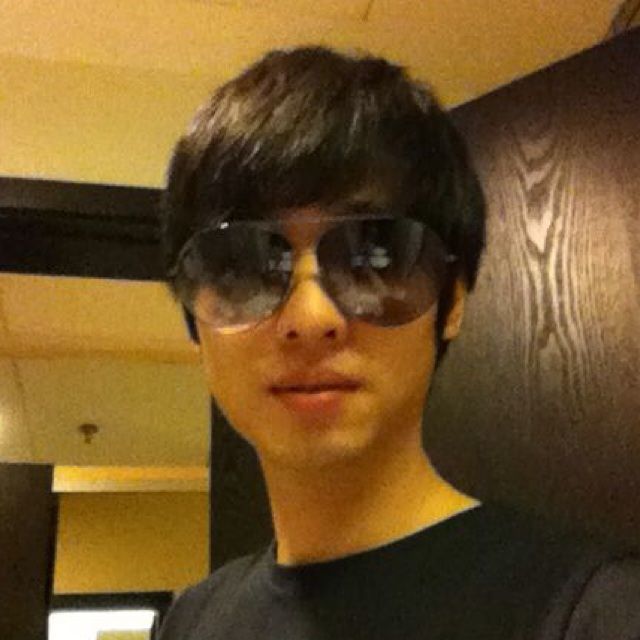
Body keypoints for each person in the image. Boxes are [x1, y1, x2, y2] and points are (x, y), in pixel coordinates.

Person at [157, 45, 640, 639]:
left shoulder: (594, 613)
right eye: (245, 263)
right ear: (194, 317)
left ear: (452, 299)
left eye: (372, 256)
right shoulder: (191, 622)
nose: (310, 317)